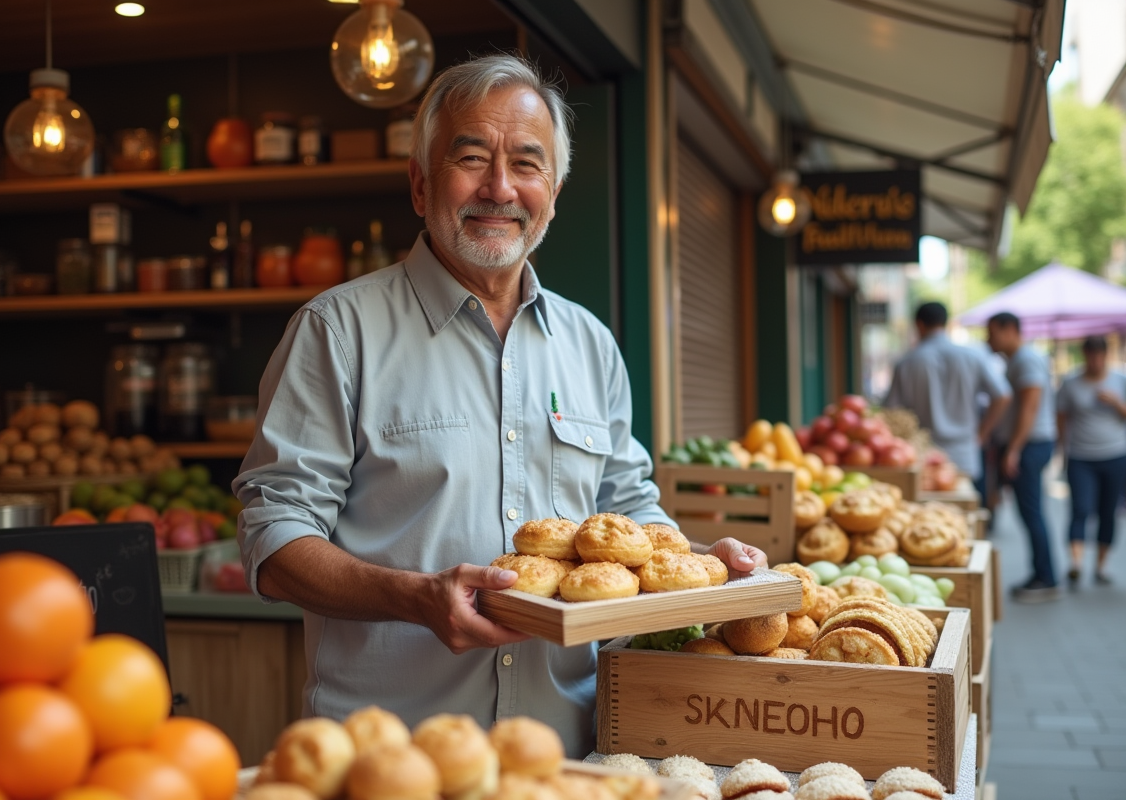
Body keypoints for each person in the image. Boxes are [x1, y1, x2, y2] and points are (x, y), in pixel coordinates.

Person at [231, 55, 766, 755]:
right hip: (393, 756)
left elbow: (628, 507)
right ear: (421, 184)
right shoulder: (337, 332)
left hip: (568, 751)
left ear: (554, 190)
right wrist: (413, 597)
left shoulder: (590, 344)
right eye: (473, 158)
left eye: (527, 164)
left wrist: (706, 563)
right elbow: (272, 536)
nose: (500, 188)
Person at [884, 302, 1010, 483]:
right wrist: (982, 434)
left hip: (923, 455)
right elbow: (1003, 395)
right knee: (967, 506)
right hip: (965, 452)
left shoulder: (907, 362)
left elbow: (891, 410)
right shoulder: (972, 356)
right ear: (946, 323)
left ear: (919, 324)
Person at [987, 311, 1060, 603]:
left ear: (1009, 330)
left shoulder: (1026, 360)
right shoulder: (1018, 360)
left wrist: (1014, 449)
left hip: (1030, 445)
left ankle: (1046, 577)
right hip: (1027, 444)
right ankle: (1042, 574)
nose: (988, 338)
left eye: (992, 332)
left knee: (1032, 512)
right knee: (1030, 512)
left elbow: (1030, 408)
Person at [1056, 335, 1126, 586]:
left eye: (1099, 355)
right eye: (1090, 355)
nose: (1095, 361)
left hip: (1115, 455)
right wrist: (1061, 450)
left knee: (1108, 511)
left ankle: (1101, 565)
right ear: (1084, 355)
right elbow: (1061, 417)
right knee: (1080, 509)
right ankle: (1076, 563)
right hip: (1080, 456)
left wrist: (1116, 402)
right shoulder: (1071, 383)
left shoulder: (1119, 380)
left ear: (1105, 356)